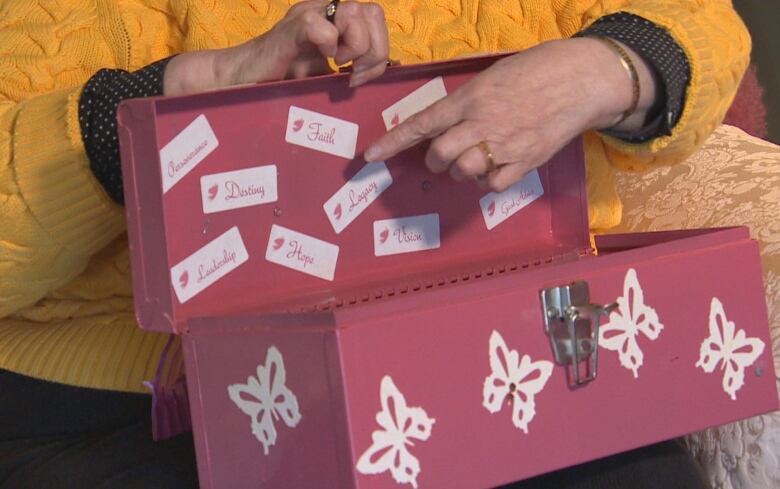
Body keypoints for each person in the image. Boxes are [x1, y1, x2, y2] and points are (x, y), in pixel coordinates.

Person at [0, 0, 752, 488]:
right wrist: (156, 108)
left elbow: (701, 24)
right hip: (137, 403)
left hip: (498, 345)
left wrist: (609, 67)